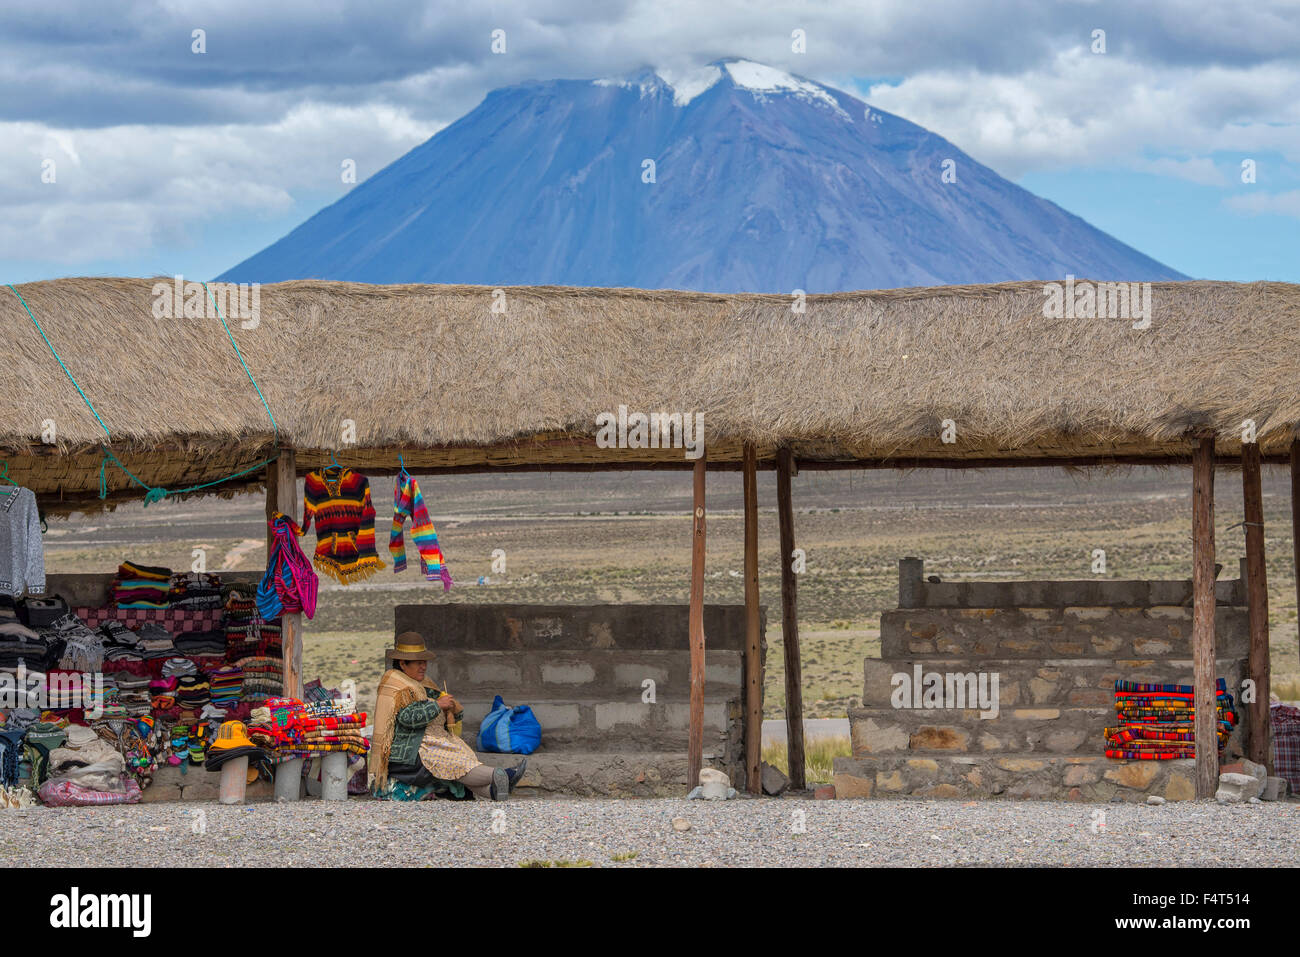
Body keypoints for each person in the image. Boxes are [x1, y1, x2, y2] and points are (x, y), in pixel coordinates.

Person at [370, 632, 525, 801]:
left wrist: (452, 709)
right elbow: (407, 718)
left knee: (459, 759)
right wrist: (437, 705)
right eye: (418, 663)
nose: (423, 667)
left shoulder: (420, 684)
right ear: (403, 664)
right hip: (410, 750)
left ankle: (492, 791)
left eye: (425, 663)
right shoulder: (396, 684)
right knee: (452, 762)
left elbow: (448, 711)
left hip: (431, 741)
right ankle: (501, 775)